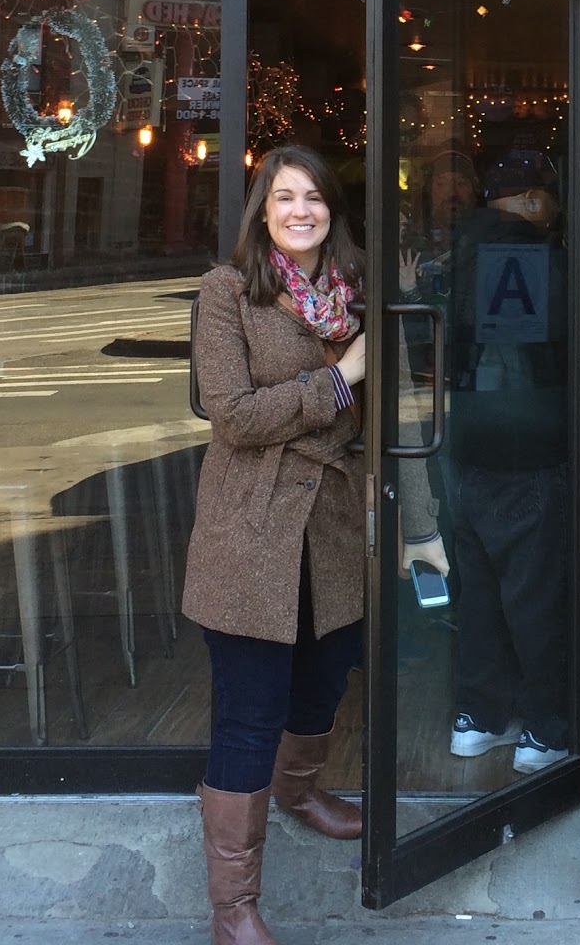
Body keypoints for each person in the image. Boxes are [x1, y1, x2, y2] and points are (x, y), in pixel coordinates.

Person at [183, 144, 367, 945]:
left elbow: (390, 424)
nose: (301, 210)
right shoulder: (227, 293)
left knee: (325, 682)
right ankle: (234, 907)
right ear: (262, 211)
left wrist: (419, 526)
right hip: (250, 528)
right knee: (250, 713)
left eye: (315, 198)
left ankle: (298, 792)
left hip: (331, 525)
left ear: (332, 209)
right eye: (285, 197)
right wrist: (338, 379)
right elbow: (233, 416)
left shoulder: (355, 297)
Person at [434, 148, 572, 777]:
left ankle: (479, 716)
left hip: (468, 443)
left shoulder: (458, 254)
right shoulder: (538, 258)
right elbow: (544, 351)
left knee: (482, 592)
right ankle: (547, 726)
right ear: (537, 200)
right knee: (534, 595)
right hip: (529, 442)